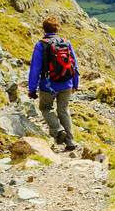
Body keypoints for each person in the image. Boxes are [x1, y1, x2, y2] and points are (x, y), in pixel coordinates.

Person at [26, 16, 80, 151]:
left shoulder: (41, 45)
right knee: (64, 110)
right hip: (66, 83)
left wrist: (32, 89)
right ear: (58, 29)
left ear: (44, 30)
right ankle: (71, 141)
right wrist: (75, 84)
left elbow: (35, 68)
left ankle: (58, 130)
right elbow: (74, 65)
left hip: (47, 85)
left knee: (45, 108)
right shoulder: (65, 43)